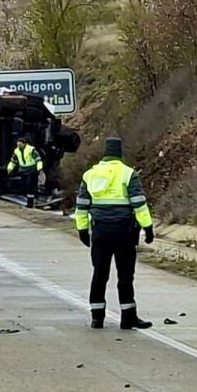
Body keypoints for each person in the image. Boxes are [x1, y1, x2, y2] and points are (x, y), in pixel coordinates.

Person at [74, 137, 155, 330]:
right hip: (124, 232)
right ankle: (128, 317)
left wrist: (82, 230)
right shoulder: (128, 173)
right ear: (120, 154)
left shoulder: (90, 174)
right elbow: (139, 204)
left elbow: (82, 206)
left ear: (105, 153)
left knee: (99, 274)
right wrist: (148, 228)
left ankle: (97, 317)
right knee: (125, 275)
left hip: (100, 232)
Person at [7, 135, 44, 208]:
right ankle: (29, 200)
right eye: (18, 144)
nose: (19, 146)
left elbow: (38, 160)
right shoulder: (16, 151)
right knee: (24, 186)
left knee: (30, 185)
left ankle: (30, 203)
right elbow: (13, 161)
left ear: (24, 144)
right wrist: (10, 168)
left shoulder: (31, 149)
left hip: (31, 169)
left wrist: (40, 168)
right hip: (23, 170)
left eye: (20, 144)